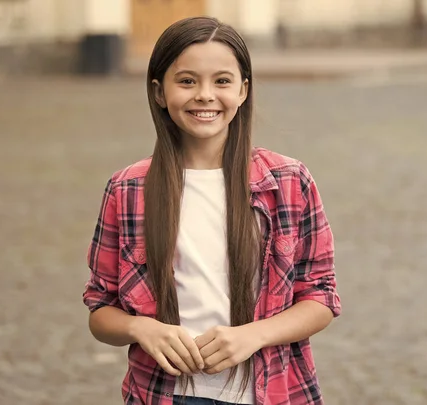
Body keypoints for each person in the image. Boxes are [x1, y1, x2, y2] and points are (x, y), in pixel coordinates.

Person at [82, 16, 341, 405]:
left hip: (271, 392)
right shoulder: (127, 189)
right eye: (186, 81)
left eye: (222, 81)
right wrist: (142, 328)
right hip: (164, 394)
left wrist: (254, 334)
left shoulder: (289, 180)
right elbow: (101, 310)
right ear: (158, 91)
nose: (204, 95)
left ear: (243, 90)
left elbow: (320, 297)